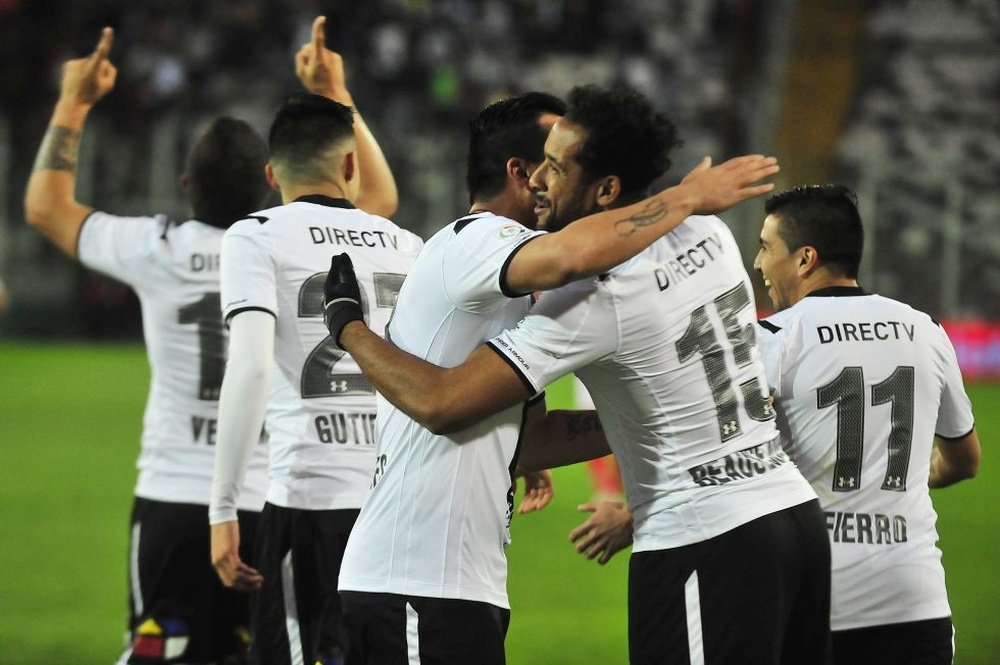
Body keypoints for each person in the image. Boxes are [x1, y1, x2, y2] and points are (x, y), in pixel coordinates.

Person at [323, 84, 809, 664]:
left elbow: (463, 402)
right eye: (544, 165)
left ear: (605, 187)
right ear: (518, 170)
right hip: (415, 577)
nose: (543, 183)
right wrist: (687, 198)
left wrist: (348, 325)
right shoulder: (706, 233)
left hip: (683, 541)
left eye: (559, 166)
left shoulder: (590, 293)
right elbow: (477, 408)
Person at [24, 28, 272, 665]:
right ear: (269, 186)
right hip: (266, 497)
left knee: (161, 653)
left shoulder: (155, 247)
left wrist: (74, 102)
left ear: (186, 184)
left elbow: (47, 207)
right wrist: (337, 94)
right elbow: (377, 203)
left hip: (172, 496)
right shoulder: (287, 249)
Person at [207, 17, 419, 665]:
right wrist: (340, 92)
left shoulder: (255, 233)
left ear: (271, 174)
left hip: (307, 495)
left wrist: (222, 504)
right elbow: (377, 198)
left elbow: (246, 367)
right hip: (394, 499)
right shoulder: (403, 243)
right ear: (350, 162)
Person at [752, 184, 981, 665]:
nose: (758, 264)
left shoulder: (773, 339)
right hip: (913, 600)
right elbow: (965, 460)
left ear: (804, 258)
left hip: (811, 600)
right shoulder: (925, 330)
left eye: (766, 248)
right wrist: (915, 476)